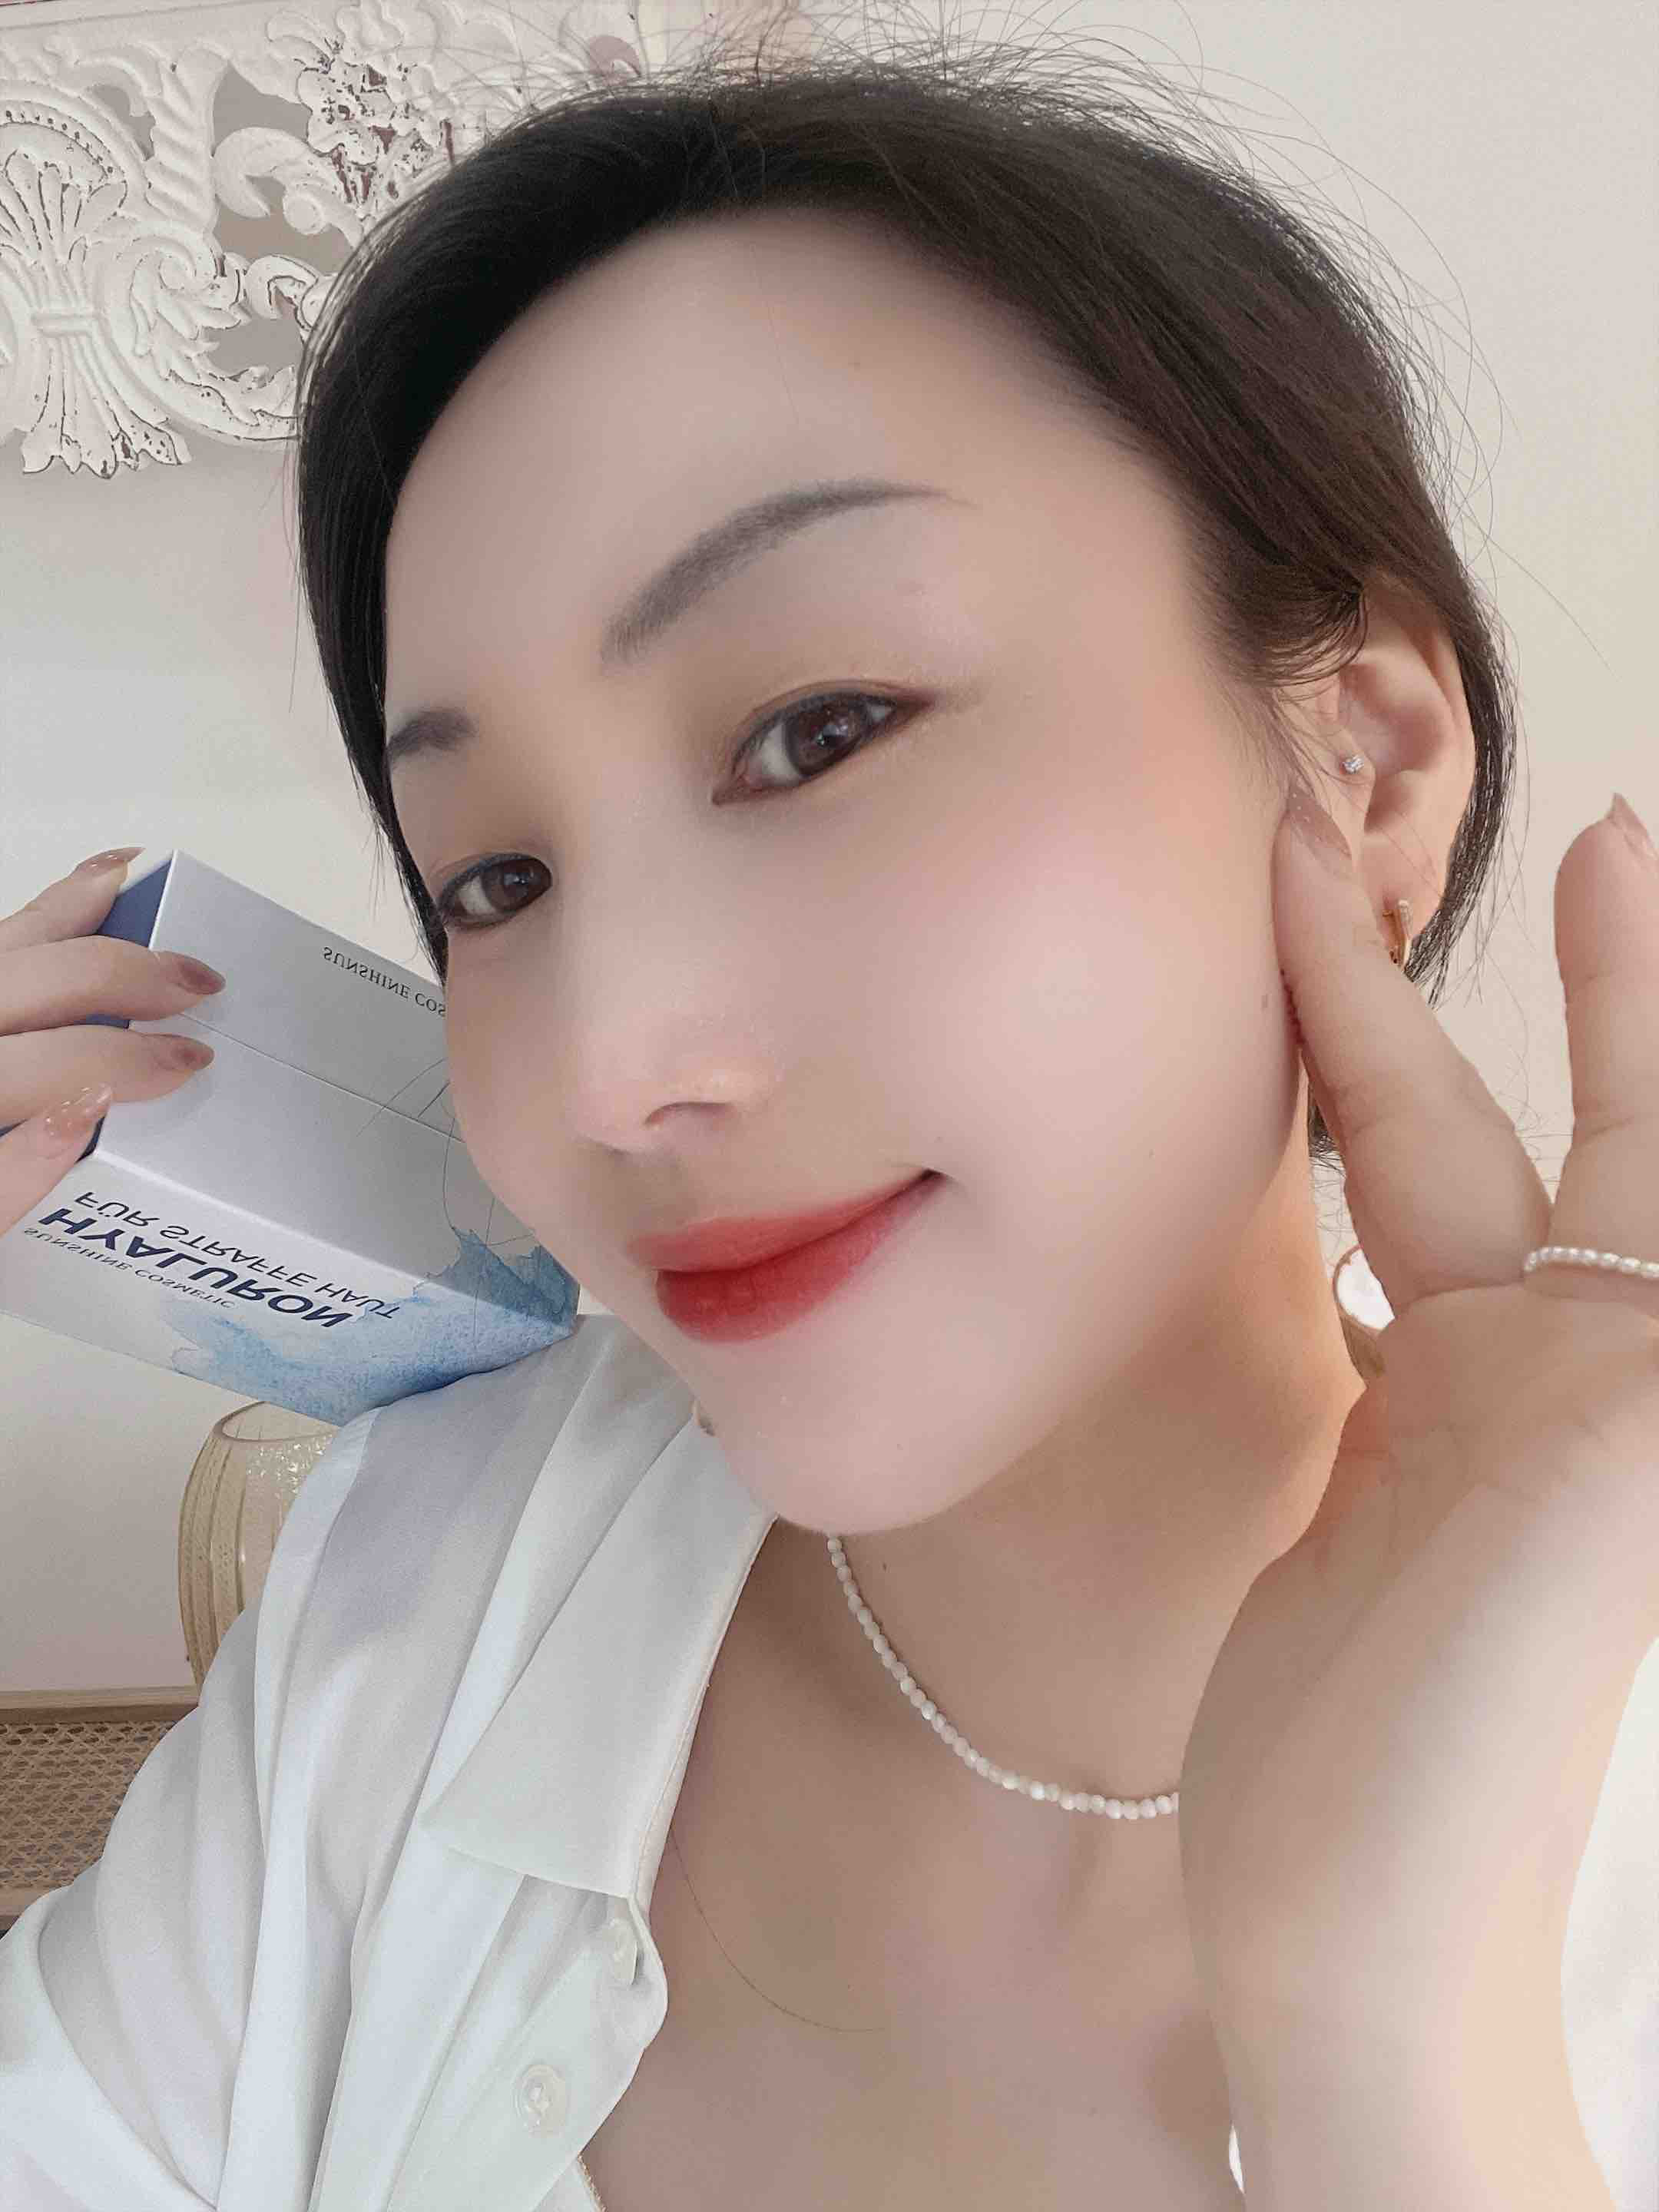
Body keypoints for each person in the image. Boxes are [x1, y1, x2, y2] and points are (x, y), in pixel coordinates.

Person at [4, 23, 1653, 2212]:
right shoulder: (443, 1577)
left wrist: (1399, 2059)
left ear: (1364, 763)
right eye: (494, 881)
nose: (606, 1068)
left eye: (817, 730)